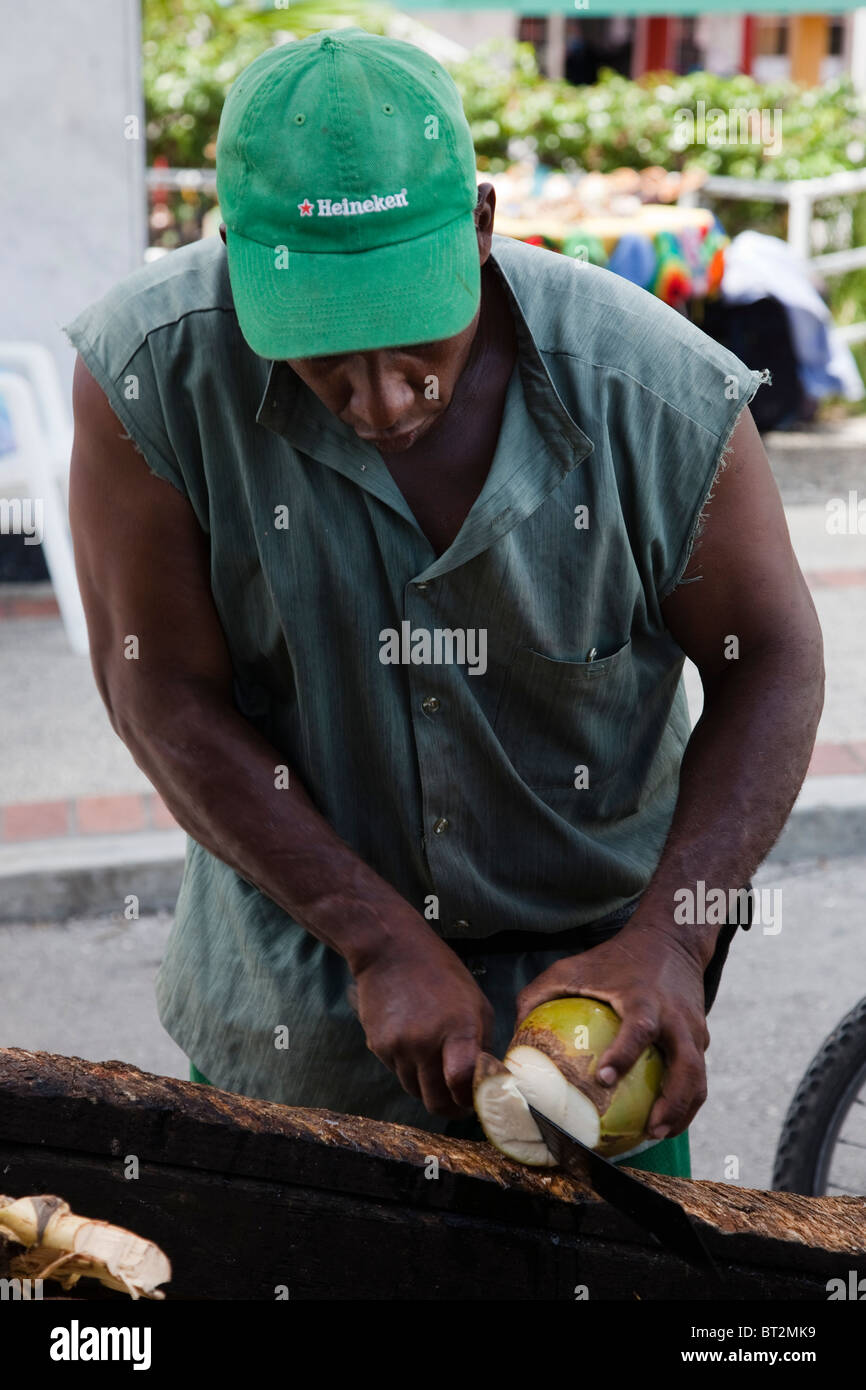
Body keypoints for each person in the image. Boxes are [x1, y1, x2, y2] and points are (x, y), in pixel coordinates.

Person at [65, 29, 824, 1179]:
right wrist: (370, 937)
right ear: (237, 258)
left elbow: (771, 656)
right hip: (296, 1016)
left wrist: (671, 937)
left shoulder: (651, 391)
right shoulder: (148, 378)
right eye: (323, 348)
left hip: (595, 1040)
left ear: (476, 226)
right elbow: (155, 685)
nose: (378, 397)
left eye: (415, 337)